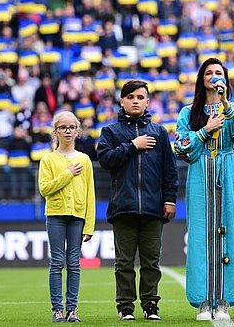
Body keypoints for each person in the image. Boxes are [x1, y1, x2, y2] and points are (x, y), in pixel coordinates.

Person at [96, 80, 178, 321]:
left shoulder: (160, 132)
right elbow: (106, 160)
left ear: (148, 102)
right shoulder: (110, 132)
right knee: (124, 263)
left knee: (152, 262)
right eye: (130, 97)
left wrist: (170, 200)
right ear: (121, 101)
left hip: (153, 208)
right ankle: (125, 307)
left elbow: (169, 171)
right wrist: (133, 145)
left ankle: (150, 305)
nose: (135, 101)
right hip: (123, 207)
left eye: (140, 97)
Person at [174, 58, 234, 321]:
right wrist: (205, 130)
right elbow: (181, 146)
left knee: (227, 230)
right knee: (200, 234)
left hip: (226, 171)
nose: (214, 76)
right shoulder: (188, 112)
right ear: (201, 78)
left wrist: (226, 103)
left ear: (225, 80)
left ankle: (224, 300)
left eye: (219, 73)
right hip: (199, 174)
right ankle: (204, 301)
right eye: (209, 72)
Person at [38, 111, 96, 323]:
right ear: (55, 132)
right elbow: (44, 189)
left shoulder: (85, 159)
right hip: (55, 215)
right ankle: (57, 310)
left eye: (71, 127)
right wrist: (68, 173)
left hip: (78, 215)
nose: (68, 131)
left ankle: (72, 309)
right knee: (56, 262)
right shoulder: (48, 160)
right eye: (63, 127)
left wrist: (89, 225)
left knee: (74, 263)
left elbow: (90, 193)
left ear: (77, 130)